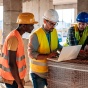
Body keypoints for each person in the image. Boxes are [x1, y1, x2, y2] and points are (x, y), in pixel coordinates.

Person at [0, 12, 38, 88]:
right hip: (12, 79)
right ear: (24, 26)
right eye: (31, 25)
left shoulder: (18, 36)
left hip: (15, 78)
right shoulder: (14, 38)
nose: (33, 27)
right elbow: (11, 63)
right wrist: (19, 83)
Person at [28, 9, 62, 88]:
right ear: (44, 21)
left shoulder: (54, 31)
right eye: (51, 24)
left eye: (55, 24)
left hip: (50, 71)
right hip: (38, 73)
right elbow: (31, 54)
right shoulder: (35, 35)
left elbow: (57, 46)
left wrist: (66, 51)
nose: (53, 26)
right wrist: (48, 56)